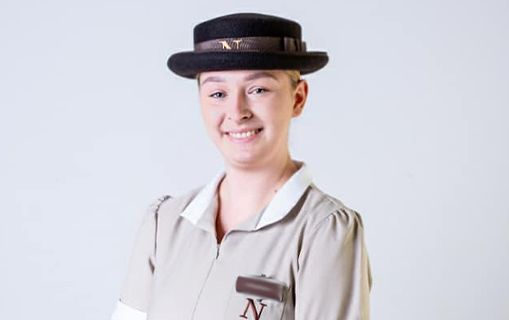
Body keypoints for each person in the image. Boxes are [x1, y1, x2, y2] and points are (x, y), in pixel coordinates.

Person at [111, 12, 373, 320]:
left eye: (258, 89)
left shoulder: (323, 231)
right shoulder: (164, 223)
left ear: (298, 98)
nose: (237, 112)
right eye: (218, 93)